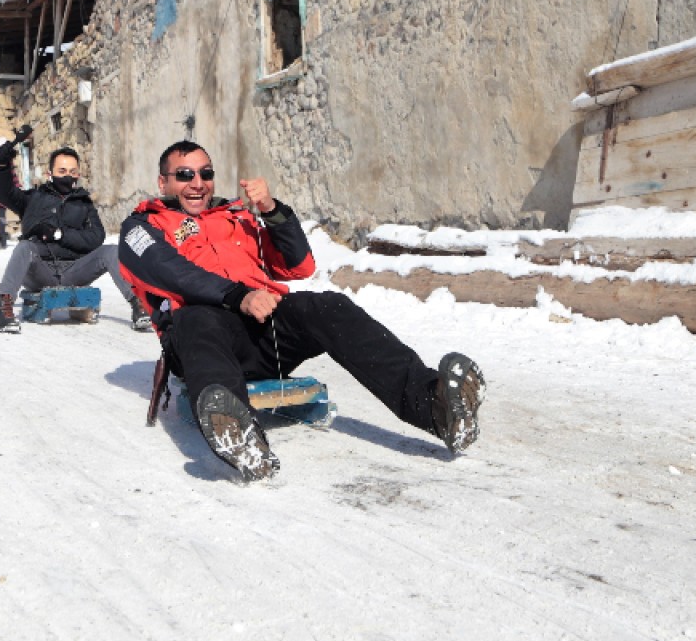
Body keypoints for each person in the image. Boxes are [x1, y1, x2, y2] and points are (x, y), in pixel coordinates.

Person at [119, 140, 487, 482]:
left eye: (205, 173)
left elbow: (299, 266)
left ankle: (435, 407)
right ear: (163, 182)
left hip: (264, 337)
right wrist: (237, 295)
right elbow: (168, 270)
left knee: (327, 306)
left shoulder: (235, 216)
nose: (197, 183)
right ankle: (239, 436)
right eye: (184, 175)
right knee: (195, 315)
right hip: (203, 344)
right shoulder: (141, 226)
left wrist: (272, 211)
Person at [0, 147, 151, 335]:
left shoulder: (83, 203)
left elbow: (96, 237)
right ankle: (4, 308)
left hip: (74, 269)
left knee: (111, 250)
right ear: (49, 173)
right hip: (40, 271)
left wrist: (60, 234)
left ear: (78, 174)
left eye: (72, 172)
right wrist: (2, 166)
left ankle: (139, 305)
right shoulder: (32, 198)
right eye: (62, 171)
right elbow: (4, 193)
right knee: (25, 247)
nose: (68, 176)